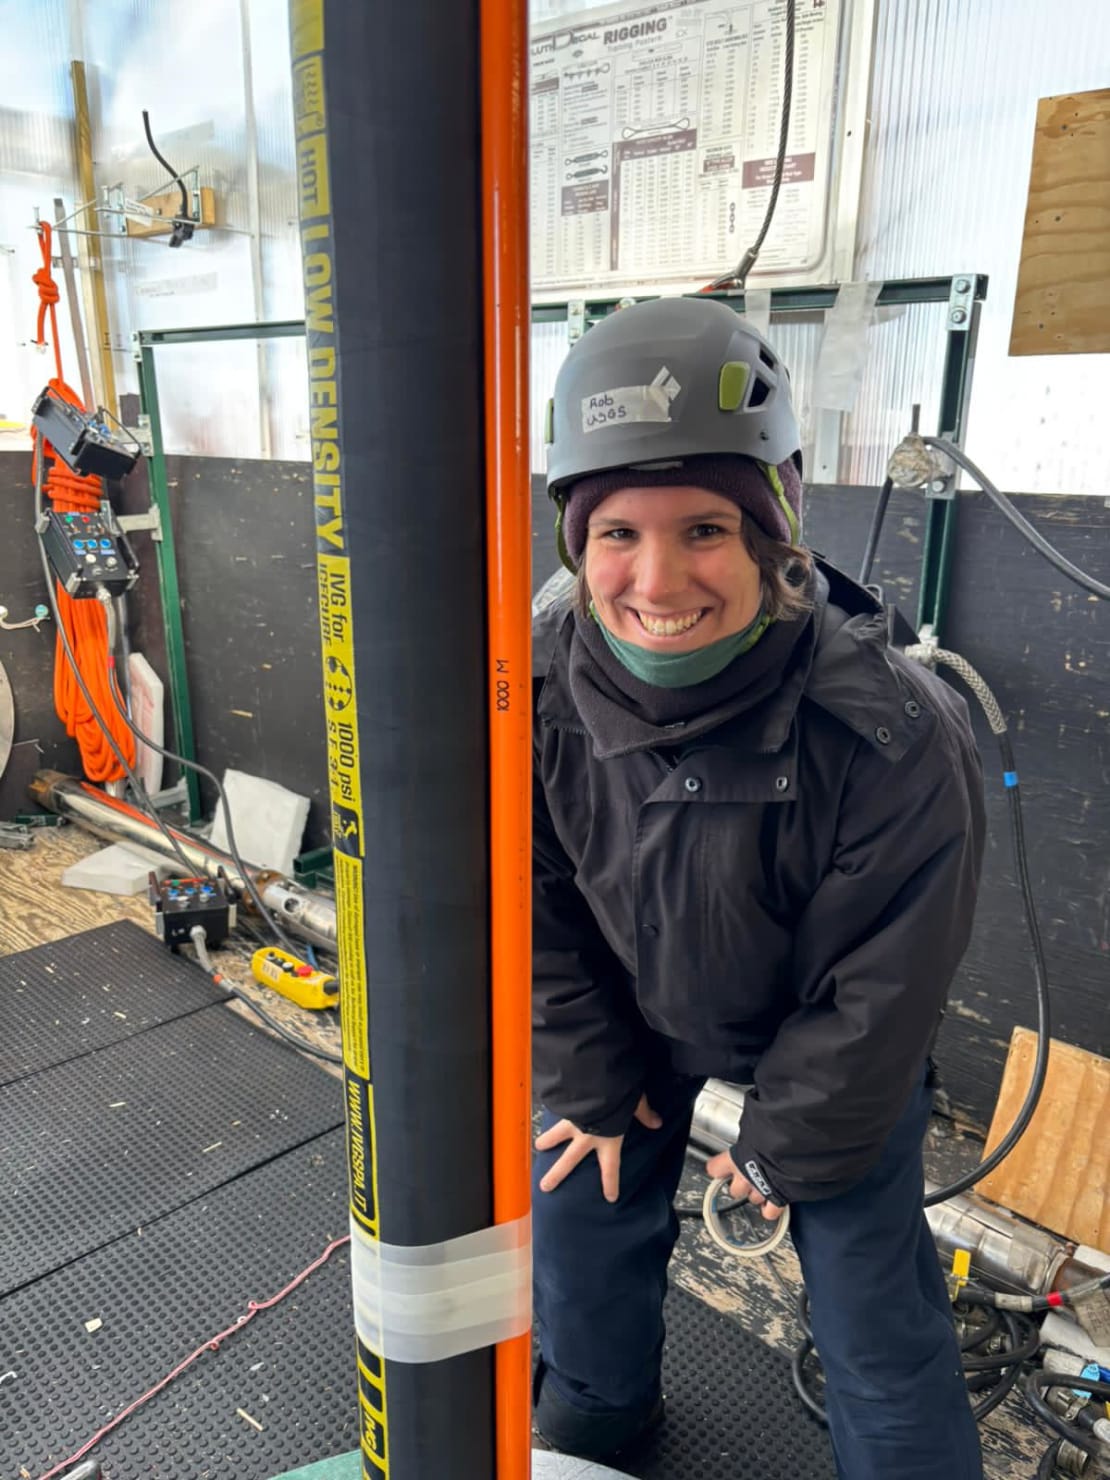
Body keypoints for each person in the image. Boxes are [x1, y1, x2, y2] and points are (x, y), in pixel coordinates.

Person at [530, 294, 986, 1480]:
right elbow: (530, 904)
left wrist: (786, 1144)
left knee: (869, 1296)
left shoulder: (891, 731)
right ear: (576, 544)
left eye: (706, 530)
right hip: (632, 1011)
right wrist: (587, 1076)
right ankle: (596, 1412)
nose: (659, 577)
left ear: (776, 528)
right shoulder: (529, 690)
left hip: (821, 1036)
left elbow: (884, 984)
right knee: (581, 1205)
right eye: (617, 532)